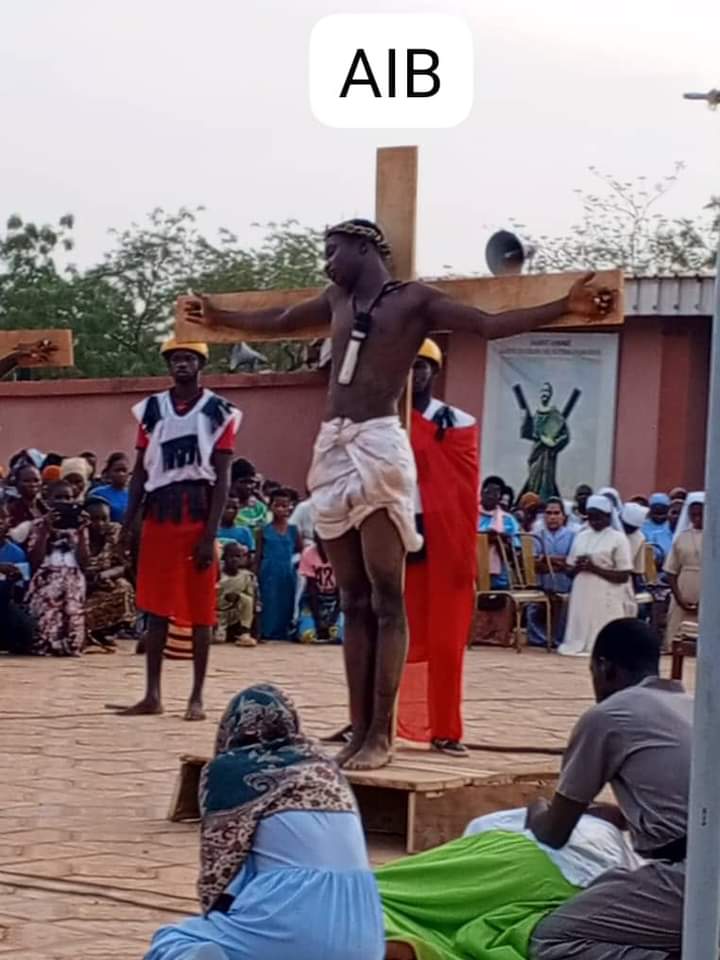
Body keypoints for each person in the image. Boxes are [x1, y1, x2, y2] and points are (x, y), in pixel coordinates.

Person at [185, 217, 614, 769]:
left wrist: (562, 305)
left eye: (334, 251)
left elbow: (488, 323)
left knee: (388, 597)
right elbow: (280, 319)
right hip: (334, 447)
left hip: (379, 446)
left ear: (365, 247)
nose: (327, 263)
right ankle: (359, 726)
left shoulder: (414, 302)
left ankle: (382, 734)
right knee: (352, 599)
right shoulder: (336, 298)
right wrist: (218, 316)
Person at [144, 685, 384, 960]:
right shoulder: (325, 767)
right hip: (365, 935)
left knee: (176, 940)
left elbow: (219, 872)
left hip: (290, 928)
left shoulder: (231, 770)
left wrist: (219, 921)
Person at [527, 618, 691, 960]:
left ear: (605, 668)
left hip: (695, 875)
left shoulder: (608, 715)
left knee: (551, 940)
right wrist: (628, 818)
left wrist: (536, 810)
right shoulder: (691, 706)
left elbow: (554, 833)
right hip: (699, 853)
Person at [112, 339, 240, 720]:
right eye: (175, 359)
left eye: (188, 359)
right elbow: (140, 470)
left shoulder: (219, 411)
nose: (181, 365)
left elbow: (223, 478)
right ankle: (152, 693)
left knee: (200, 609)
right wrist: (128, 523)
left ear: (201, 363)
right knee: (155, 606)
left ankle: (196, 696)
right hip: (160, 512)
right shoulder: (152, 409)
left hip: (196, 510)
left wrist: (209, 534)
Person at [381, 807, 641, 960]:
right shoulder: (617, 847)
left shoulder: (503, 825)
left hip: (522, 862)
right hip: (546, 873)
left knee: (381, 899)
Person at [398, 339, 478, 756]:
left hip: (440, 539)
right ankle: (377, 721)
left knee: (445, 640)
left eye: (422, 366)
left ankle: (444, 727)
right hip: (393, 533)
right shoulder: (383, 419)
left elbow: (459, 491)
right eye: (407, 366)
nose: (414, 374)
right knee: (388, 631)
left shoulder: (457, 422)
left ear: (434, 371)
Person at [558, 495, 633, 657]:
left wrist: (594, 568)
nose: (594, 522)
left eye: (598, 518)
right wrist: (578, 567)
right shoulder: (581, 536)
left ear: (608, 516)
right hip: (581, 590)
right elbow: (569, 570)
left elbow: (624, 575)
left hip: (605, 590)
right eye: (590, 517)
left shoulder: (618, 539)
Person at [25, 479, 90, 656]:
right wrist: (45, 530)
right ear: (48, 500)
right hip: (47, 578)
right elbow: (35, 561)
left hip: (72, 578)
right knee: (46, 628)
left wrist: (82, 533)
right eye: (59, 497)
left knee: (72, 617)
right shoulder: (38, 525)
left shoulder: (79, 527)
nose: (64, 502)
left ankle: (71, 644)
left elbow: (84, 562)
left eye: (68, 498)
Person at [474, 475, 521, 647]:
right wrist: (485, 538)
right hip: (474, 569)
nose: (491, 496)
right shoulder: (472, 515)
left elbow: (517, 548)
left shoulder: (508, 520)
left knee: (500, 597)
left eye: (496, 493)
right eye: (488, 492)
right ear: (481, 493)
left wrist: (503, 540)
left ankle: (498, 636)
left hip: (499, 571)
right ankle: (475, 635)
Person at [84, 498, 136, 648]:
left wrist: (104, 575)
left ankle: (101, 632)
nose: (99, 523)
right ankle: (85, 631)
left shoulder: (115, 532)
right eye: (93, 519)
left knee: (124, 587)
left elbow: (122, 565)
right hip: (78, 584)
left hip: (103, 582)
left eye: (103, 519)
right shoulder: (76, 534)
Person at [527, 497, 575, 648]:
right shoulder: (536, 534)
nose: (552, 517)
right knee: (532, 606)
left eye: (556, 513)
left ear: (563, 516)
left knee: (566, 605)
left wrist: (548, 560)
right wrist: (555, 562)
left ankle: (559, 640)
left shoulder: (572, 535)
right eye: (548, 513)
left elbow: (570, 562)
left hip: (564, 583)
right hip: (542, 581)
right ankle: (539, 639)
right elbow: (534, 563)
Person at [256, 488, 302, 641]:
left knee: (286, 602)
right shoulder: (263, 530)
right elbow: (258, 556)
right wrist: (255, 575)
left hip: (287, 572)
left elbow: (300, 551)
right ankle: (267, 632)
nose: (281, 509)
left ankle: (284, 632)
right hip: (268, 571)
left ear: (291, 507)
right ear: (271, 507)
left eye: (285, 505)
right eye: (277, 505)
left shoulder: (294, 530)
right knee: (269, 602)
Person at [517, 382, 572, 502]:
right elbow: (529, 432)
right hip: (536, 452)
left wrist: (553, 443)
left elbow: (565, 436)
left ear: (550, 394)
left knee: (546, 478)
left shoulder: (555, 414)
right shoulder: (536, 414)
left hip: (548, 453)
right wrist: (525, 422)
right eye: (543, 391)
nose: (544, 394)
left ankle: (544, 500)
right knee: (533, 477)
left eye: (547, 391)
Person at [664, 492, 704, 650]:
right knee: (677, 638)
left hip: (709, 592)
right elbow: (671, 570)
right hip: (683, 589)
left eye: (701, 514)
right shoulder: (681, 537)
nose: (697, 518)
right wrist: (679, 597)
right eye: (693, 515)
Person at [0, 497, 34, 654]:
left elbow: (22, 588)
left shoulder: (16, 552)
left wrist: (16, 579)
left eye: (2, 517)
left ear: (9, 521)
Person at [297, 534, 344, 644]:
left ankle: (332, 629)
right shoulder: (308, 553)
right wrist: (318, 621)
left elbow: (342, 591)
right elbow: (311, 589)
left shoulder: (341, 554)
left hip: (337, 601)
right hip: (315, 601)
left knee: (339, 635)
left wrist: (332, 620)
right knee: (306, 635)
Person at [216, 542, 258, 647]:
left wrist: (237, 597)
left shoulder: (246, 576)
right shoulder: (217, 574)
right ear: (224, 557)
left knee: (248, 600)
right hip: (217, 613)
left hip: (235, 614)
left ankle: (245, 634)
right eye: (231, 556)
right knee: (218, 639)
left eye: (238, 556)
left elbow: (252, 600)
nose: (235, 559)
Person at [620, 501, 649, 618]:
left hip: (625, 582)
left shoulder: (640, 538)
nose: (629, 531)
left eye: (633, 528)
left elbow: (637, 571)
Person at [230, 459, 268, 531]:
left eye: (251, 482)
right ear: (231, 482)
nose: (249, 486)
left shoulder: (260, 508)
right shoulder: (223, 509)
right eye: (244, 482)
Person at [92, 453, 131, 522]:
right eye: (117, 470)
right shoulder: (97, 493)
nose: (121, 474)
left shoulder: (134, 495)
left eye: (124, 470)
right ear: (109, 472)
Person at [642, 492, 673, 566]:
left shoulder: (672, 525)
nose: (659, 510)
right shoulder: (642, 525)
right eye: (656, 508)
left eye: (662, 508)